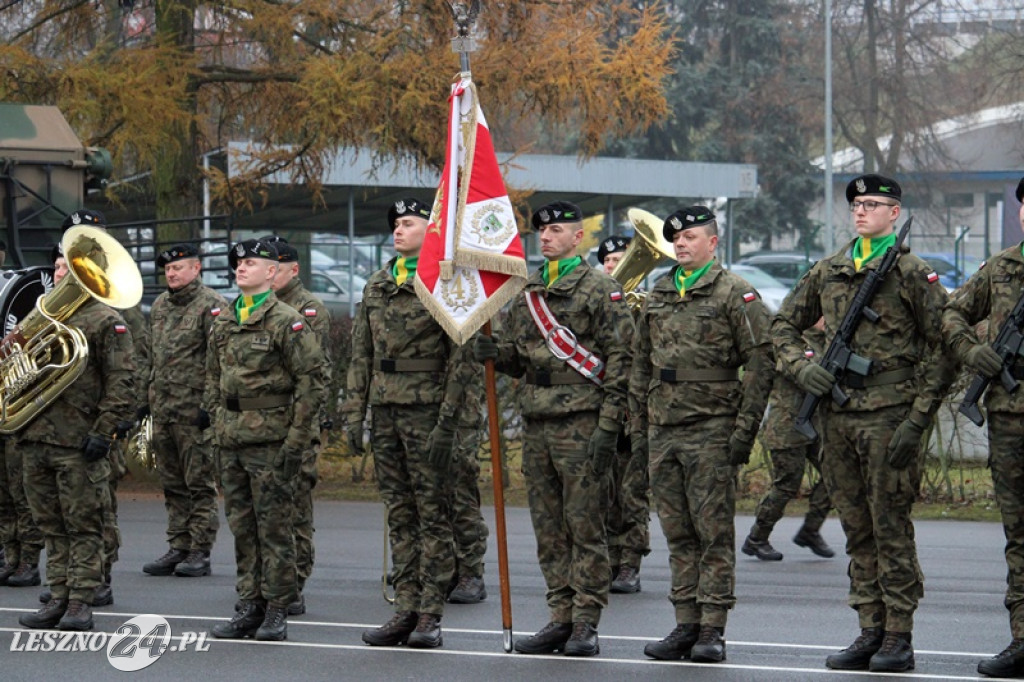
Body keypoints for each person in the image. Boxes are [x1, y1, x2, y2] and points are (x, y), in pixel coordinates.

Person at [773, 174, 955, 672]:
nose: (860, 211)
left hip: (890, 416)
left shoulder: (912, 272)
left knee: (890, 526)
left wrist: (919, 417)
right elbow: (782, 325)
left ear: (894, 214)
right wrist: (801, 365)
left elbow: (948, 343)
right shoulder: (828, 269)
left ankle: (899, 636)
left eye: (873, 204)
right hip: (836, 418)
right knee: (857, 529)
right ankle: (869, 629)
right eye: (856, 203)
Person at [473, 200, 634, 657]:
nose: (546, 236)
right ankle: (558, 616)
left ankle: (586, 621)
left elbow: (622, 359)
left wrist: (609, 423)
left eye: (557, 230)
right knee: (547, 528)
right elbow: (518, 358)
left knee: (584, 525)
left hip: (583, 421)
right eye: (541, 231)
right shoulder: (529, 290)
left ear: (577, 238)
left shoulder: (600, 288)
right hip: (538, 422)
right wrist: (490, 352)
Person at [630, 206, 773, 664]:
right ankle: (685, 623)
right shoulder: (660, 292)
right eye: (677, 238)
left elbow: (761, 361)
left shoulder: (735, 293)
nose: (681, 243)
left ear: (714, 242)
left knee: (712, 533)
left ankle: (713, 629)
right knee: (677, 533)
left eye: (691, 236)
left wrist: (744, 428)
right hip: (663, 428)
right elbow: (639, 362)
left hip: (712, 428)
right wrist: (638, 427)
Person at [345, 197, 461, 649]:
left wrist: (449, 422)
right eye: (395, 223)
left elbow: (461, 359)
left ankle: (431, 613)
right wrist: (355, 414)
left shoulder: (442, 281)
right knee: (400, 514)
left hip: (427, 411)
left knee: (433, 515)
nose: (398, 229)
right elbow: (361, 354)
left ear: (428, 231)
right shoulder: (377, 283)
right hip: (387, 412)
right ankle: (405, 607)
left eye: (408, 223)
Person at [204, 239, 324, 642]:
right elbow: (211, 378)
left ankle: (277, 607)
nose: (241, 267)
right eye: (239, 262)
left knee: (275, 529)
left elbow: (311, 383)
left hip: (271, 441)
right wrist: (214, 426)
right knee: (242, 527)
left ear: (272, 273)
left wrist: (296, 442)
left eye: (251, 263)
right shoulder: (223, 318)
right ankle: (249, 604)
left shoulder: (286, 320)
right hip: (231, 439)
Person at [18, 234, 136, 631]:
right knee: (50, 525)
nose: (59, 272)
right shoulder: (41, 320)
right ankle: (58, 595)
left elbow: (122, 382)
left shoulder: (106, 320)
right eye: (56, 266)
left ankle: (81, 602)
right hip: (35, 436)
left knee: (83, 523)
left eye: (68, 267)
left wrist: (104, 432)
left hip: (78, 440)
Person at [942, 175, 1024, 679]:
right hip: (1010, 418)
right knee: (1018, 536)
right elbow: (951, 313)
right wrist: (974, 351)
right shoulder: (1001, 269)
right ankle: (1021, 639)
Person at [140, 243, 225, 580]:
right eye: (168, 269)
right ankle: (178, 544)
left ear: (197, 268)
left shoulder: (213, 306)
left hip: (194, 412)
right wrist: (143, 400)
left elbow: (219, 361)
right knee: (172, 483)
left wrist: (209, 406)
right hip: (163, 408)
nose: (172, 274)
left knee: (199, 483)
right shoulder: (160, 305)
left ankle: (199, 551)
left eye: (179, 268)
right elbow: (152, 356)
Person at [267, 237, 333, 615]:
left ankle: (295, 581)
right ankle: (271, 581)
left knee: (296, 508)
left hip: (297, 421)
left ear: (293, 270)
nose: (271, 272)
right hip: (264, 424)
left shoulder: (309, 309)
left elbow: (315, 371)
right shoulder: (258, 308)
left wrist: (308, 423)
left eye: (278, 266)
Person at [741, 319, 835, 562]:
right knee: (786, 485)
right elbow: (802, 372)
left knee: (836, 475)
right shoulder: (788, 342)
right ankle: (757, 538)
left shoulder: (825, 340)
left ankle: (810, 530)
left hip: (815, 425)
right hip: (788, 426)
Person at [596, 235, 651, 594]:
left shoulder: (647, 305)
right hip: (599, 405)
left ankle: (629, 563)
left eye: (622, 258)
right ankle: (608, 559)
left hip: (634, 410)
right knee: (603, 490)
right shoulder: (592, 302)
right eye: (610, 260)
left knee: (632, 491)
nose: (616, 265)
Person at [445, 346, 490, 605]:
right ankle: (444, 566)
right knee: (430, 492)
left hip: (462, 410)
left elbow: (470, 357)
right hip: (423, 403)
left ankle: (471, 571)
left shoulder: (461, 308)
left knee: (461, 490)